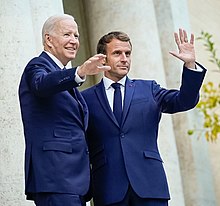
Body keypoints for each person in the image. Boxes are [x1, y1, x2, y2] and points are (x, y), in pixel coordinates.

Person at [81, 29, 207, 206]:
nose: (124, 58)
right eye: (117, 53)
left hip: (150, 186)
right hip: (108, 189)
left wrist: (190, 66)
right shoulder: (85, 99)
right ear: (103, 58)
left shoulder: (149, 89)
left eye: (128, 53)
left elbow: (184, 101)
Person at [18, 14, 110, 206]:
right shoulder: (37, 66)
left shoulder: (62, 75)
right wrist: (80, 72)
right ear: (49, 40)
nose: (74, 41)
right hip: (56, 177)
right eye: (67, 34)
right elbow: (41, 84)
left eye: (76, 36)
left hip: (72, 180)